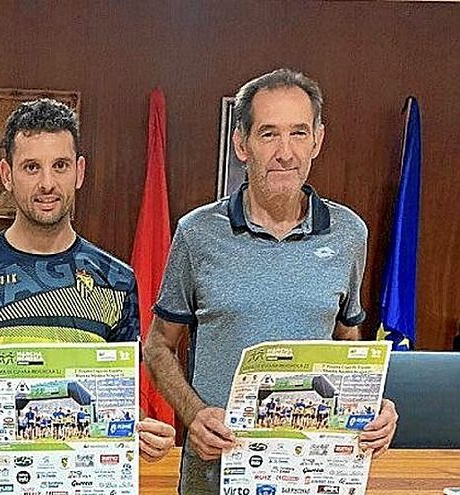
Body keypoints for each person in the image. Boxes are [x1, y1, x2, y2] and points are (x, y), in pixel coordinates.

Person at [143, 68, 399, 494]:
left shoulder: (350, 233)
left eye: (299, 133)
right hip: (215, 474)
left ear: (318, 139)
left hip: (315, 473)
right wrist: (194, 414)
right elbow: (157, 345)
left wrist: (374, 405)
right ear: (242, 144)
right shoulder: (196, 233)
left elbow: (349, 341)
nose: (286, 152)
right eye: (268, 134)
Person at [0, 98, 176, 494]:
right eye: (31, 167)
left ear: (80, 171)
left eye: (60, 165)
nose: (46, 184)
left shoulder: (117, 279)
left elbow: (118, 396)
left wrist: (141, 430)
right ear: (7, 174)